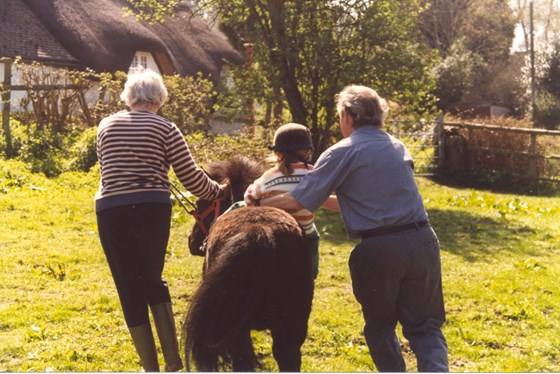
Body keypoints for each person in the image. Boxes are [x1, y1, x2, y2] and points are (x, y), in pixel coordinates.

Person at [259, 85, 448, 372]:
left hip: (379, 250)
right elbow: (365, 201)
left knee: (381, 325)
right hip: (422, 241)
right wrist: (320, 199)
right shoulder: (397, 146)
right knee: (426, 327)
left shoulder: (341, 151)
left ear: (347, 114)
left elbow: (299, 199)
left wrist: (257, 201)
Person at [95, 68, 227, 372]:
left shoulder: (105, 126)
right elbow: (190, 177)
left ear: (129, 96)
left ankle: (149, 368)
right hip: (150, 210)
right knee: (152, 277)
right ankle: (173, 361)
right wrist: (218, 190)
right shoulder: (166, 128)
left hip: (110, 209)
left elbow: (108, 169)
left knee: (128, 286)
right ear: (159, 97)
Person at [244, 123, 320, 278]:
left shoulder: (269, 175)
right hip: (304, 229)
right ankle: (311, 271)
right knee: (314, 237)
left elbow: (249, 198)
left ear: (278, 153)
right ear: (307, 151)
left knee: (236, 207)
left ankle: (211, 231)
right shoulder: (314, 173)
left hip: (273, 229)